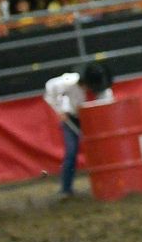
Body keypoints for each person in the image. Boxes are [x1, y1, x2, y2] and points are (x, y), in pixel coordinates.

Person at [44, 62, 114, 197]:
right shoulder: (68, 81)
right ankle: (65, 189)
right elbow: (50, 88)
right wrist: (59, 111)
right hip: (72, 119)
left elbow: (107, 104)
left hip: (93, 119)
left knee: (103, 150)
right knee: (71, 153)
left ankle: (108, 182)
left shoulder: (104, 90)